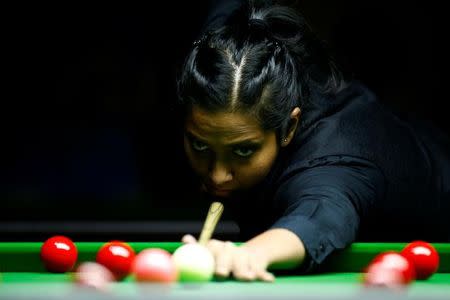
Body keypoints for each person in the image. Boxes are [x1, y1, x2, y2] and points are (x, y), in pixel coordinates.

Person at [175, 0, 450, 281]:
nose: (218, 175)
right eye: (200, 145)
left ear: (289, 126)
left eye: (243, 150)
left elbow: (320, 213)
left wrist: (251, 254)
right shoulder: (226, 57)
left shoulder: (336, 158)